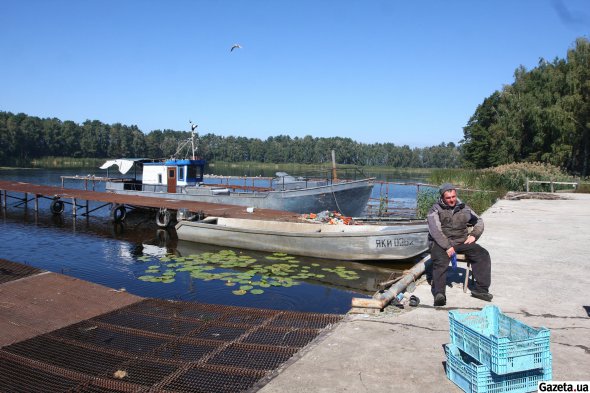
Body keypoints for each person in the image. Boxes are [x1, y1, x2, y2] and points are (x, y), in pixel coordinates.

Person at [427, 183, 492, 306]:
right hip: (441, 243)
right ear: (442, 198)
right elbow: (435, 230)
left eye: (453, 197)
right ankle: (439, 294)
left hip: (461, 242)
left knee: (482, 254)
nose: (452, 200)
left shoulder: (464, 208)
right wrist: (447, 246)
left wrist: (474, 235)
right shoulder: (435, 210)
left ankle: (481, 290)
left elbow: (479, 221)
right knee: (440, 260)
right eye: (448, 198)